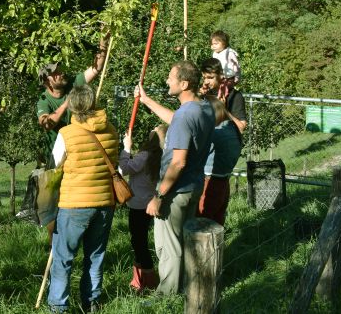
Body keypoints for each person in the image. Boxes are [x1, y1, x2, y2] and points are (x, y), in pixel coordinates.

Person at [135, 60, 215, 295]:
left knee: (169, 247)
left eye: (171, 77)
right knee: (184, 243)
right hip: (193, 187)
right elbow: (177, 120)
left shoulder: (184, 117)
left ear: (184, 83)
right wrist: (146, 100)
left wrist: (159, 195)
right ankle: (186, 288)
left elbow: (178, 162)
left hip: (175, 191)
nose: (167, 80)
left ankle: (166, 296)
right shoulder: (203, 109)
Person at [47, 85, 118, 313]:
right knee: (95, 256)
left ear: (73, 106)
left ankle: (59, 305)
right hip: (105, 203)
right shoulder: (112, 131)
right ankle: (91, 303)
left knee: (63, 257)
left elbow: (54, 166)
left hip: (74, 203)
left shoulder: (66, 134)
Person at [36, 33, 109, 168]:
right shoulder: (43, 100)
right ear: (48, 82)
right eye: (55, 73)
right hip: (56, 159)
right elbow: (47, 124)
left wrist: (103, 42)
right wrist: (66, 104)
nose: (61, 73)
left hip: (77, 153)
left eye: (59, 69)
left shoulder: (73, 83)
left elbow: (96, 68)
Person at [119, 124, 166, 293]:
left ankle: (148, 279)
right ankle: (138, 279)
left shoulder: (144, 156)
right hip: (150, 203)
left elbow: (124, 168)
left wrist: (126, 147)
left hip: (138, 205)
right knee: (140, 240)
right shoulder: (162, 156)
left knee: (138, 242)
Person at [197, 95, 242, 225]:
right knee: (217, 220)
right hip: (224, 180)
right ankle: (218, 245)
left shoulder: (215, 132)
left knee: (203, 221)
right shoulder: (232, 127)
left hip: (210, 182)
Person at [210, 30, 241, 98]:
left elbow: (237, 65)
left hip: (229, 77)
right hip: (219, 77)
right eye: (212, 44)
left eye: (216, 44)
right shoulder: (215, 54)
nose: (214, 46)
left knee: (223, 89)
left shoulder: (229, 53)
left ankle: (221, 101)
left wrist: (237, 78)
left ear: (224, 43)